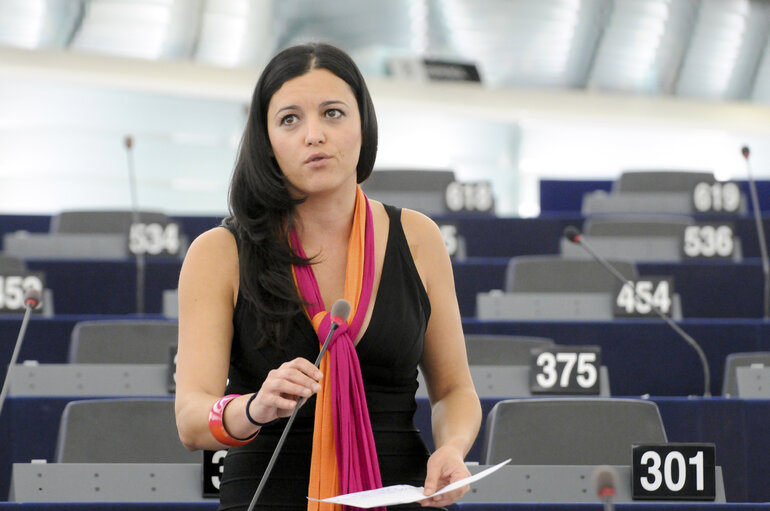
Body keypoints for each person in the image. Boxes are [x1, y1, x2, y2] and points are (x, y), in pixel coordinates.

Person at [174, 42, 481, 511]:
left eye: (333, 113)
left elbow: (455, 390)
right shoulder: (219, 252)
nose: (313, 134)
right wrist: (253, 407)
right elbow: (192, 420)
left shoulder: (418, 237)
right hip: (269, 494)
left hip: (401, 493)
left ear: (364, 125)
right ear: (267, 140)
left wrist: (453, 449)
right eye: (290, 119)